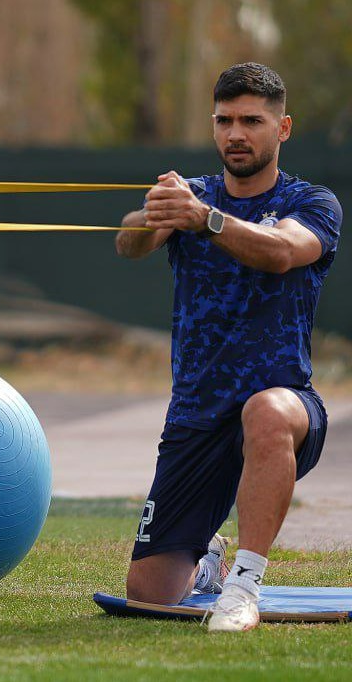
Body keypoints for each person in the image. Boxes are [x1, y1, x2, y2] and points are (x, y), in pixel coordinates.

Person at [115, 63, 341, 632]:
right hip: (195, 416)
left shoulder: (312, 203)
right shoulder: (191, 195)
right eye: (224, 121)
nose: (236, 134)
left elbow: (282, 252)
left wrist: (205, 219)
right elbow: (128, 242)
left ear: (282, 128)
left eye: (251, 121)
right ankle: (208, 557)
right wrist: (154, 213)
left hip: (284, 411)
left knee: (265, 409)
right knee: (149, 594)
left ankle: (244, 585)